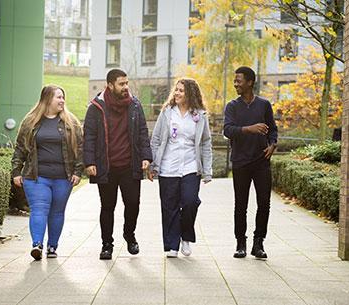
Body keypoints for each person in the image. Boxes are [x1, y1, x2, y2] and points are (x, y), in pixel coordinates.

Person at [83, 68, 152, 260]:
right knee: (107, 206)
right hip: (106, 167)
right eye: (121, 84)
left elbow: (142, 132)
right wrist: (89, 162)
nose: (125, 87)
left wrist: (146, 156)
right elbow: (89, 136)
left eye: (126, 83)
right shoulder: (96, 107)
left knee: (133, 204)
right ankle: (107, 245)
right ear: (110, 85)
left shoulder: (135, 105)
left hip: (130, 166)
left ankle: (129, 235)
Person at [11, 85, 83, 260]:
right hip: (36, 176)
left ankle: (52, 246)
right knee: (38, 209)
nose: (62, 101)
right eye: (58, 97)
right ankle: (37, 244)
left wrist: (78, 171)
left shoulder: (71, 123)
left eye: (63, 97)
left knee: (57, 212)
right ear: (47, 99)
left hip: (63, 177)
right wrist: (16, 172)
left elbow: (80, 149)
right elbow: (20, 148)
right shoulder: (30, 122)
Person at [150, 78, 212, 258]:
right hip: (168, 166)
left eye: (181, 91)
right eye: (176, 90)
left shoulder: (200, 116)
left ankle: (186, 235)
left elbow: (206, 142)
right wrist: (154, 165)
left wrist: (207, 170)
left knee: (190, 201)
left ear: (190, 94)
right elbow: (155, 140)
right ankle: (171, 245)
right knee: (169, 207)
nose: (176, 93)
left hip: (191, 167)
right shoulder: (167, 113)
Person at [223, 66, 278, 259]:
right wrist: (250, 129)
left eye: (239, 81)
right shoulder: (232, 106)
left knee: (264, 203)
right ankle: (240, 243)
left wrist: (273, 144)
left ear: (250, 82)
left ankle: (258, 243)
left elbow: (273, 129)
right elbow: (228, 130)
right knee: (241, 205)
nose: (235, 84)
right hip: (240, 162)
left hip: (261, 162)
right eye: (235, 80)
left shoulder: (264, 105)